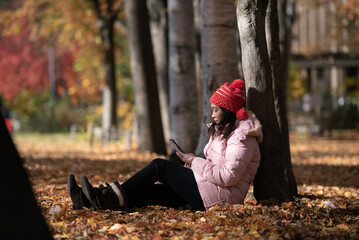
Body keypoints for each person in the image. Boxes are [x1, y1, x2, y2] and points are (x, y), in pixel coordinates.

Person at [68, 79, 263, 211]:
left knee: (159, 166)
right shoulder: (226, 130)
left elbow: (228, 176)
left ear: (227, 111)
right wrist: (190, 164)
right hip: (209, 192)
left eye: (215, 110)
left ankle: (101, 196)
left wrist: (194, 162)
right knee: (150, 193)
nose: (212, 115)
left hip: (220, 199)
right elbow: (216, 168)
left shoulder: (242, 137)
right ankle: (89, 199)